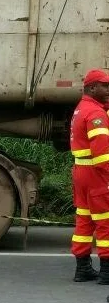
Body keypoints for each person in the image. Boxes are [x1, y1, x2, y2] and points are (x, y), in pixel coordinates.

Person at [69, 68, 109, 284]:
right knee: (106, 221)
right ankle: (107, 271)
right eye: (105, 86)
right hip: (96, 173)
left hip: (81, 173)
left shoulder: (82, 108)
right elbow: (103, 156)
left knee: (84, 220)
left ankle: (82, 268)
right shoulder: (96, 114)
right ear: (92, 88)